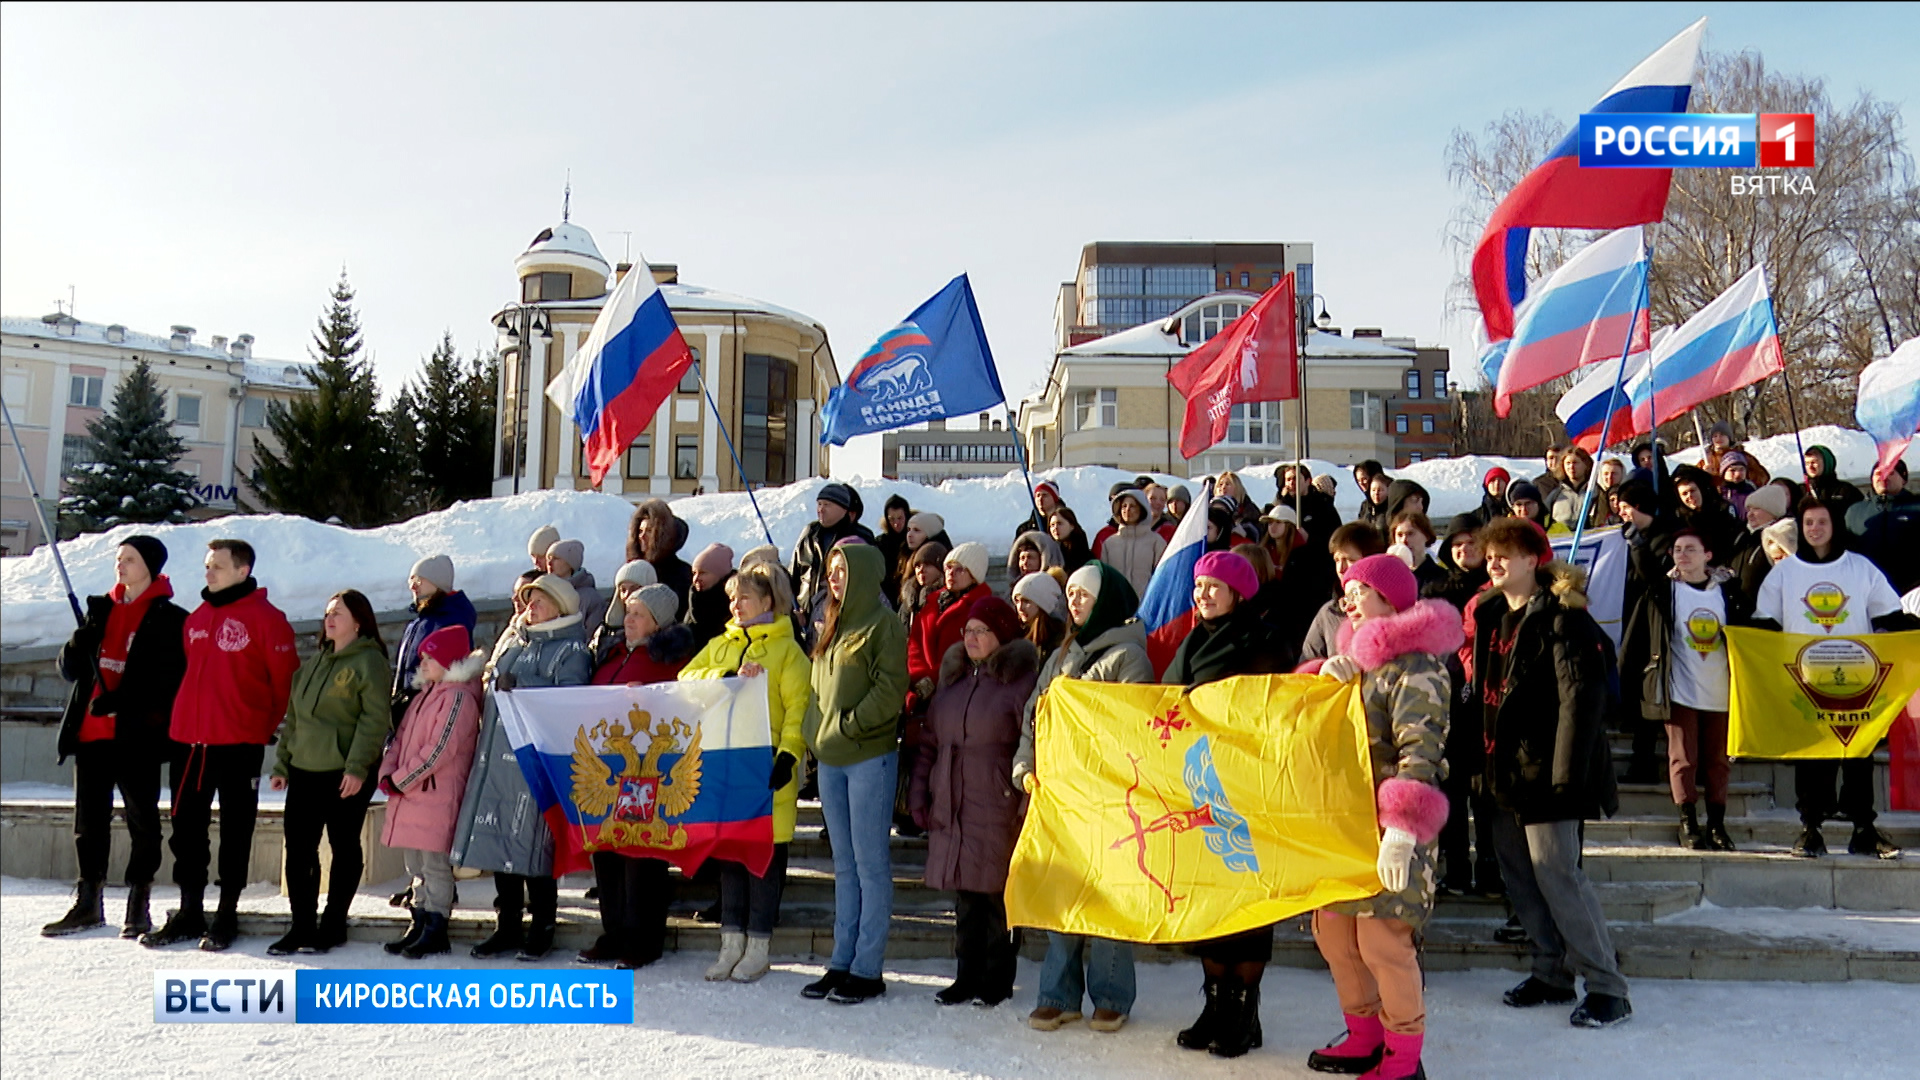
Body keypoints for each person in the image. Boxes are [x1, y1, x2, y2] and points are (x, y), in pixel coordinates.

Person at [1297, 553, 1458, 1080]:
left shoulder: (1418, 666)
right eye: (1345, 592)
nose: (1347, 601)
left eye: (1359, 591)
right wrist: (1322, 675)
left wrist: (1403, 830)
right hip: (1344, 825)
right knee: (1335, 935)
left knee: (1383, 942)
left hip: (1392, 829)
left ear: (1389, 598)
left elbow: (1421, 749)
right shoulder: (1354, 664)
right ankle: (1364, 1035)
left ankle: (1403, 1058)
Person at [1468, 518, 1631, 1028]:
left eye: (1507, 554)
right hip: (1500, 770)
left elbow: (1581, 702)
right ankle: (1551, 972)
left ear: (1534, 560)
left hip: (1550, 775)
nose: (1495, 562)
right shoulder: (1491, 613)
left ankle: (1607, 987)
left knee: (1559, 876)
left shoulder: (1565, 617)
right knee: (1519, 877)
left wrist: (1566, 777)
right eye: (1491, 554)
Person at [1013, 561, 1153, 1035]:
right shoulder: (1061, 654)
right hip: (1060, 793)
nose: (1073, 602)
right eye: (1070, 594)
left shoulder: (1129, 658)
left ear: (1106, 602)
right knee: (1061, 890)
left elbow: (1132, 729)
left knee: (1107, 893)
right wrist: (1025, 764)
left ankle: (1112, 996)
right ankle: (1058, 994)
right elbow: (1036, 712)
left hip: (1107, 795)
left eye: (1084, 595)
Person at [141, 539, 298, 951]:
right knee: (186, 830)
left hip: (238, 743)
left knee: (235, 830)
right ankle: (190, 910)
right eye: (208, 565)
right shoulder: (196, 617)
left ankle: (226, 914)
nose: (208, 573)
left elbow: (284, 682)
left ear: (243, 570)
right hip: (191, 742)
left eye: (218, 567)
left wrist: (261, 727)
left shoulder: (267, 619)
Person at [1165, 551, 1289, 1058]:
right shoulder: (1192, 640)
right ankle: (1214, 1005)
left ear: (1239, 593)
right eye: (1199, 588)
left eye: (1214, 587)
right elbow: (1166, 700)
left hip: (1248, 788)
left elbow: (1269, 706)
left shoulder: (1264, 640)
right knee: (1212, 898)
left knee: (1247, 900)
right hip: (1201, 786)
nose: (1203, 595)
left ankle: (1244, 1011)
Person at [43, 536, 186, 940]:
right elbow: (70, 670)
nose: (120, 565)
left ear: (151, 566)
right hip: (91, 733)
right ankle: (88, 901)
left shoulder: (169, 617)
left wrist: (124, 700)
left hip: (136, 736)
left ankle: (139, 902)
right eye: (118, 558)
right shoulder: (100, 610)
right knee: (88, 822)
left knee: (142, 820)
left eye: (130, 559)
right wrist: (77, 644)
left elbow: (169, 679)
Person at [678, 563, 811, 981]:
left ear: (768, 602)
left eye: (745, 598)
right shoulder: (720, 645)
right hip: (724, 760)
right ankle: (730, 941)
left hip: (765, 761)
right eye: (732, 598)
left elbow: (798, 710)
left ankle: (759, 944)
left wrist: (789, 755)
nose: (736, 605)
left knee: (764, 859)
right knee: (730, 857)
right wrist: (727, 676)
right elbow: (685, 681)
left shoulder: (788, 651)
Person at [1752, 499, 1906, 858]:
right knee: (1812, 758)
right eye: (1808, 523)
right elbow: (1765, 624)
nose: (1815, 529)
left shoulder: (1860, 568)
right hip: (1804, 680)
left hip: (1856, 679)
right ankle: (1810, 830)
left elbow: (1890, 613)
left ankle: (1864, 830)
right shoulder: (1784, 573)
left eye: (1822, 522)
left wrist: (1898, 631)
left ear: (1834, 525)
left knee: (1858, 753)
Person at [452, 573, 593, 960]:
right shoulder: (515, 642)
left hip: (535, 765)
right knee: (500, 843)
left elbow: (571, 702)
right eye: (529, 600)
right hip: (496, 756)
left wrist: (525, 685)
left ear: (560, 606)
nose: (530, 607)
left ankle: (543, 926)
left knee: (534, 847)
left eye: (540, 600)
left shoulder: (571, 650)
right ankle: (508, 924)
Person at [908, 596, 1037, 1008]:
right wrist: (919, 790)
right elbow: (929, 741)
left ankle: (997, 980)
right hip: (954, 798)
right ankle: (965, 976)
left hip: (998, 799)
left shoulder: (1020, 683)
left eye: (982, 630)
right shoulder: (954, 681)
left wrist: (1021, 802)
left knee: (998, 896)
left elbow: (1032, 743)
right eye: (968, 631)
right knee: (965, 896)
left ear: (1001, 635)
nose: (972, 638)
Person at [802, 544, 909, 1005]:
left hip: (868, 756)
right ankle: (840, 961)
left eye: (843, 570)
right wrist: (815, 733)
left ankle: (868, 967)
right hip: (831, 758)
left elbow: (890, 689)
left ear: (864, 574)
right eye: (831, 570)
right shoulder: (831, 623)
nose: (835, 578)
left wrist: (848, 725)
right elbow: (816, 688)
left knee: (870, 865)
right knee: (843, 866)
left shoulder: (884, 625)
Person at [267, 589, 393, 956]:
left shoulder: (370, 662)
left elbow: (373, 721)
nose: (329, 619)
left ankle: (334, 923)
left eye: (338, 613)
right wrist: (282, 763)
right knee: (299, 850)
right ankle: (301, 925)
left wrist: (357, 768)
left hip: (344, 772)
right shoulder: (315, 663)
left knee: (343, 846)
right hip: (304, 770)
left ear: (358, 620)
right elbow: (296, 720)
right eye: (327, 613)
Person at [1626, 529, 1750, 851]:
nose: (1682, 555)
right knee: (1683, 758)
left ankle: (1717, 824)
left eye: (1690, 549)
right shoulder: (1665, 591)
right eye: (1677, 549)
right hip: (1680, 687)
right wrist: (1637, 543)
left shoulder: (1728, 592)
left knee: (1718, 761)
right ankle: (1689, 822)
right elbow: (1646, 574)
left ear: (1707, 556)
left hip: (1721, 688)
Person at [376, 625, 484, 960]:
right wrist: (387, 772)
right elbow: (400, 739)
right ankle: (419, 919)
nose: (422, 662)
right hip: (412, 796)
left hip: (434, 796)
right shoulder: (425, 696)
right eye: (421, 656)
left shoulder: (457, 697)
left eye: (430, 656)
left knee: (435, 865)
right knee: (416, 865)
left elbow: (439, 750)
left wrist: (402, 780)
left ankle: (437, 924)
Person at [1428, 514, 1498, 896]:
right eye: (1456, 545)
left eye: (1471, 543)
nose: (1463, 550)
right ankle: (1455, 868)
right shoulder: (1437, 589)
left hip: (1486, 702)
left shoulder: (1497, 591)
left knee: (1486, 795)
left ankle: (1489, 867)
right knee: (1452, 792)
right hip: (1449, 699)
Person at [390, 554, 477, 724]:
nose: (413, 586)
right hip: (411, 705)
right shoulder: (418, 622)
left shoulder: (452, 619)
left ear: (438, 582)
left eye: (419, 580)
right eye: (411, 581)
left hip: (431, 707)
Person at [792, 483, 875, 634]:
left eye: (827, 505)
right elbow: (794, 576)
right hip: (807, 618)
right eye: (819, 504)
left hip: (844, 621)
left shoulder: (859, 537)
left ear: (843, 509)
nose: (821, 509)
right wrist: (795, 609)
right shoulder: (809, 535)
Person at [1301, 523, 1389, 662]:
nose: (1341, 569)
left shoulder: (1391, 608)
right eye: (1337, 560)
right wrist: (1324, 669)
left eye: (1350, 560)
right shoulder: (1328, 613)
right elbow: (1306, 665)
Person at [1846, 460, 1920, 595]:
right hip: (1868, 591)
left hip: (1911, 592)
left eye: (1890, 473)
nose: (1883, 477)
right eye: (1878, 473)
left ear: (1903, 478)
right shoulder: (1855, 511)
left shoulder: (1916, 507)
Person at [629, 499, 694, 620]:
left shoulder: (681, 574)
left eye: (649, 531)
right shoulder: (633, 569)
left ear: (662, 535)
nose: (642, 536)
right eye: (640, 531)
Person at [1098, 487, 1167, 600]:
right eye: (1124, 506)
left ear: (1142, 509)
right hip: (1117, 607)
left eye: (1133, 506)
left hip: (1145, 606)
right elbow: (1105, 579)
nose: (1128, 509)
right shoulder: (1109, 543)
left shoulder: (1156, 542)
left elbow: (1162, 577)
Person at [1729, 482, 1791, 599]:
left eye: (1756, 509)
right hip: (1736, 608)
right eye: (1749, 509)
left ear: (1773, 511)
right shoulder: (1741, 535)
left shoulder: (1781, 537)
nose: (1750, 514)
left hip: (1765, 610)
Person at [590, 559, 659, 659]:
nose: (627, 595)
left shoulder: (661, 634)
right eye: (623, 590)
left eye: (635, 589)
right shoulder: (605, 630)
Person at [1671, 466, 1739, 566]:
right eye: (1684, 494)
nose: (1689, 496)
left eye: (1692, 491)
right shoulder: (1679, 519)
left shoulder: (1722, 510)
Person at [545, 538, 606, 630]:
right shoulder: (544, 592)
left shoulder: (589, 598)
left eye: (556, 558)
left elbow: (590, 634)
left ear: (571, 563)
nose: (549, 563)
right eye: (548, 558)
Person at [685, 543, 737, 649]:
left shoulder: (733, 605)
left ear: (720, 575)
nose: (696, 579)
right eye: (694, 573)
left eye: (703, 573)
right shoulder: (694, 600)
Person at [1011, 570, 1069, 654]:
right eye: (1017, 601)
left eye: (1026, 601)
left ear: (1043, 603)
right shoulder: (1016, 634)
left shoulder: (1058, 638)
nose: (1020, 608)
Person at [1801, 445, 1863, 520]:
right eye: (1807, 463)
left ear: (1827, 463)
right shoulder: (1800, 491)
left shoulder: (1846, 491)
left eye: (1814, 462)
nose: (1810, 467)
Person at [1390, 511, 1446, 593]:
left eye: (1410, 534)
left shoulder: (1441, 578)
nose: (1404, 540)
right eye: (1399, 535)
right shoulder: (1390, 577)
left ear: (1426, 536)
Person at [898, 541, 949, 629]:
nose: (921, 570)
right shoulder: (908, 600)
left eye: (927, 565)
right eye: (918, 566)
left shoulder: (946, 599)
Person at [877, 494, 914, 602]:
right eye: (892, 519)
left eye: (900, 518)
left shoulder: (914, 538)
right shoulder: (881, 543)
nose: (896, 524)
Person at [1047, 506, 1093, 575]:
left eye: (1059, 523)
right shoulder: (1050, 554)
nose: (1055, 528)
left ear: (1072, 526)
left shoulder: (1084, 556)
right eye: (1052, 525)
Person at [1717, 451, 1757, 519]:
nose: (1738, 474)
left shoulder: (1753, 491)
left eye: (1741, 469)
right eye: (1732, 470)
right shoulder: (1718, 493)